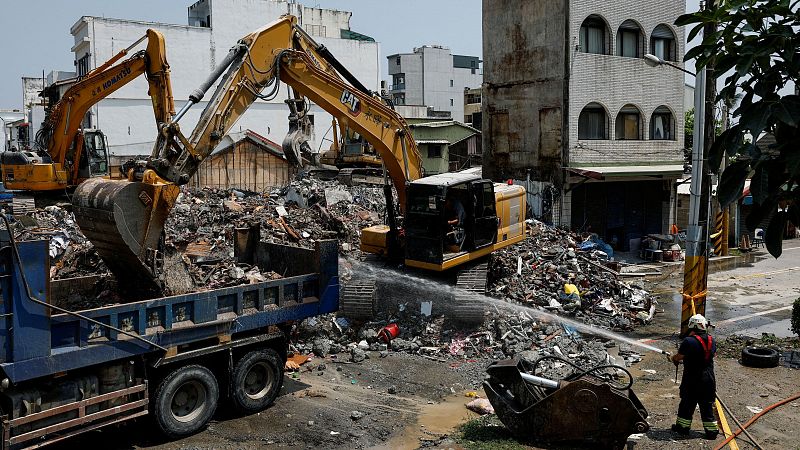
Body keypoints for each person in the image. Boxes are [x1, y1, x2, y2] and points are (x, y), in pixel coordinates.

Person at [670, 314, 719, 439]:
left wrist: (673, 358)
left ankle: (682, 428)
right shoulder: (711, 340)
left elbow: (679, 357)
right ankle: (711, 431)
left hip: (692, 378)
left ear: (692, 325)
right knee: (707, 405)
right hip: (708, 378)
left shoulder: (688, 341)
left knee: (687, 403)